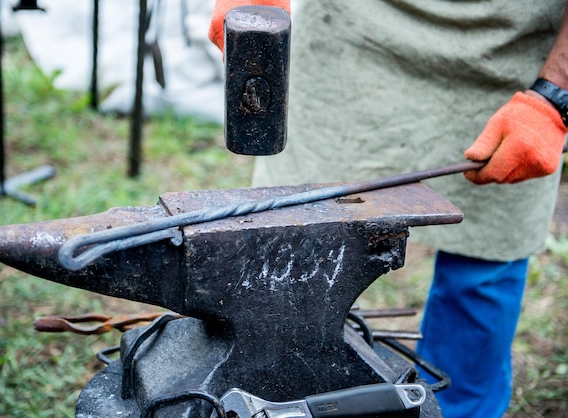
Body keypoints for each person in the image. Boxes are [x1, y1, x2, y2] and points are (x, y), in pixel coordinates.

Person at [209, 1, 568, 417]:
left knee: (482, 271)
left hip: (512, 58)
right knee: (282, 248)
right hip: (350, 33)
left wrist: (554, 98)